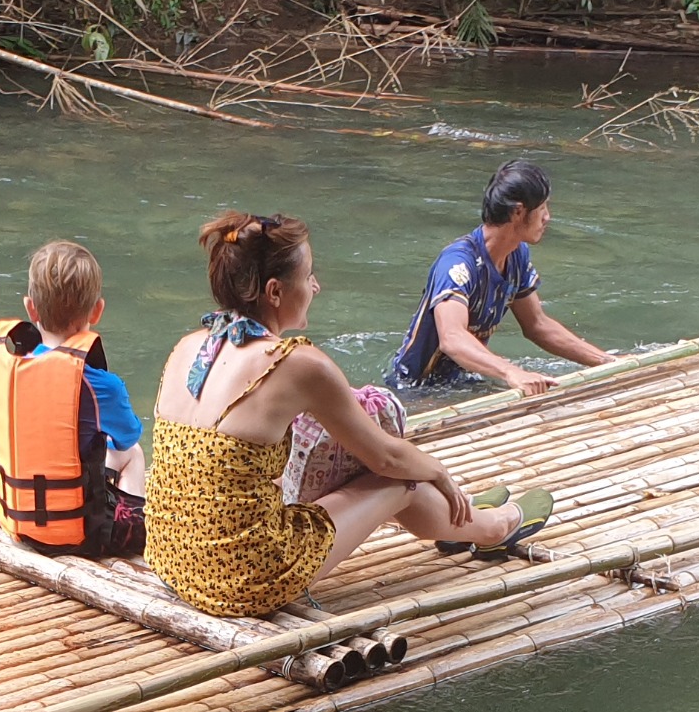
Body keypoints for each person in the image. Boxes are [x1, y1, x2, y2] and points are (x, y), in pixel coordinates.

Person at [145, 211, 555, 619]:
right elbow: (388, 459)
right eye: (308, 277)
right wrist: (439, 472)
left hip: (172, 562)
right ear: (274, 291)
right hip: (242, 581)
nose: (316, 286)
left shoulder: (187, 347)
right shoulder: (296, 363)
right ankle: (493, 529)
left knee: (371, 469)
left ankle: (460, 518)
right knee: (404, 479)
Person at [388, 159, 615, 396]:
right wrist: (511, 372)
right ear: (518, 211)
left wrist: (606, 361)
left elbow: (538, 325)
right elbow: (452, 338)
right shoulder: (457, 264)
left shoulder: (516, 255)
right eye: (542, 208)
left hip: (462, 381)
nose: (548, 217)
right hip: (417, 390)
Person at [0, 240, 147, 559]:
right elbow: (128, 437)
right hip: (82, 537)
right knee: (134, 454)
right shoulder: (100, 384)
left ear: (31, 308)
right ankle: (132, 531)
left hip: (20, 526)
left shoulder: (15, 366)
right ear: (97, 310)